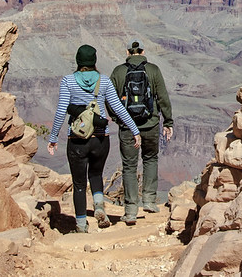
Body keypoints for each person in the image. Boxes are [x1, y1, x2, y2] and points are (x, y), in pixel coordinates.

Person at [48, 44, 141, 233]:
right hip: (100, 138)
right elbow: (118, 108)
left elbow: (60, 111)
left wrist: (53, 137)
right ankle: (99, 205)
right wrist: (135, 130)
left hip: (77, 139)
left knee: (79, 183)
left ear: (78, 60)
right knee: (96, 174)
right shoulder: (104, 81)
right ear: (94, 61)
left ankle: (81, 225)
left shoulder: (68, 81)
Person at [110, 39, 174, 226]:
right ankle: (149, 201)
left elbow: (110, 98)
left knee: (129, 166)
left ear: (128, 53)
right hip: (151, 123)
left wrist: (117, 118)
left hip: (128, 127)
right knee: (150, 158)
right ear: (143, 52)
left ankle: (130, 210)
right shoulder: (153, 70)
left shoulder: (119, 71)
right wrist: (168, 121)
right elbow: (162, 97)